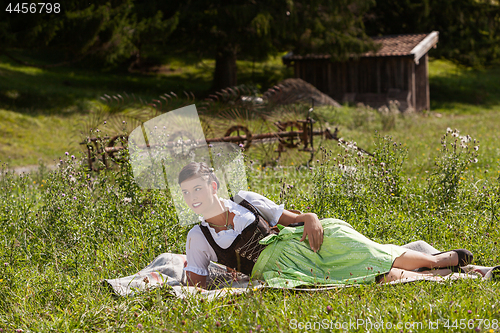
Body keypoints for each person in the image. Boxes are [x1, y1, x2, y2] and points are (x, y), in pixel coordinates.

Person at [178, 162, 473, 289]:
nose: (193, 198)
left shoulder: (244, 199)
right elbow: (197, 285)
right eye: (187, 193)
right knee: (358, 275)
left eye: (198, 189)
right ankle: (441, 276)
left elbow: (293, 219)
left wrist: (312, 218)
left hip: (299, 240)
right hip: (281, 270)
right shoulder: (198, 236)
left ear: (213, 186)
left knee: (361, 248)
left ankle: (435, 260)